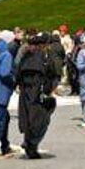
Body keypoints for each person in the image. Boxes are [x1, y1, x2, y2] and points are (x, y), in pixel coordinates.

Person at [16, 30, 62, 160]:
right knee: (42, 120)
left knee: (29, 119)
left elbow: (17, 74)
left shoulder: (25, 57)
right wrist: (51, 88)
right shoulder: (45, 58)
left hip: (26, 93)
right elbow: (53, 74)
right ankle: (32, 143)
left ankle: (29, 142)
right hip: (39, 93)